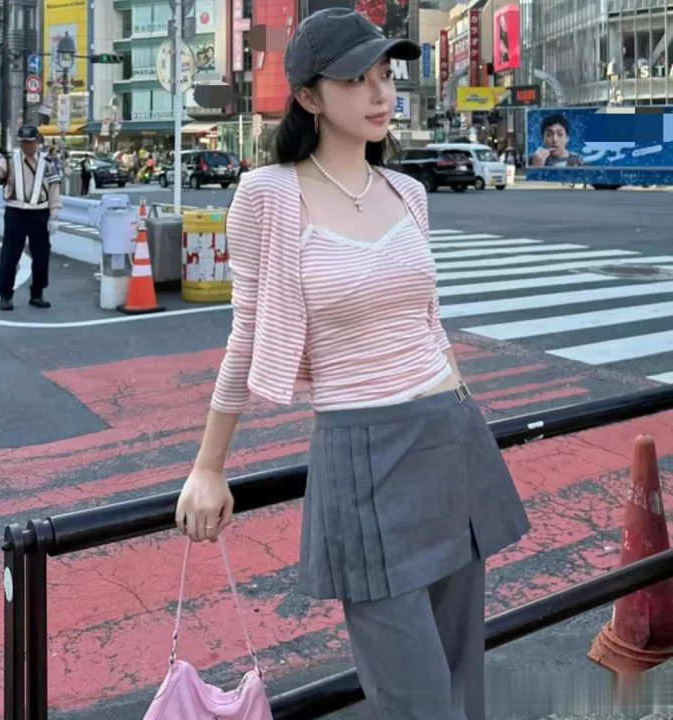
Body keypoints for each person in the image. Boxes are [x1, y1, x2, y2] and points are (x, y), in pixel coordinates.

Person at [175, 8, 530, 720]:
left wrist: (464, 407)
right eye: (356, 80)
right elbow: (247, 335)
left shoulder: (407, 192)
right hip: (360, 451)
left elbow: (427, 321)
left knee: (463, 679)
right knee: (417, 699)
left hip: (449, 434)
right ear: (308, 96)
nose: (380, 94)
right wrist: (208, 467)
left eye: (385, 75)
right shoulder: (268, 194)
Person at [0, 124, 61, 310]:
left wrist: (54, 215)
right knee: (10, 254)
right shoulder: (10, 160)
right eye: (23, 142)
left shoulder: (48, 163)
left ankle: (37, 294)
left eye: (29, 142)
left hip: (39, 212)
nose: (26, 146)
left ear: (37, 141)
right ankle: (5, 296)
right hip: (15, 212)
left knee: (41, 256)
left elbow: (54, 190)